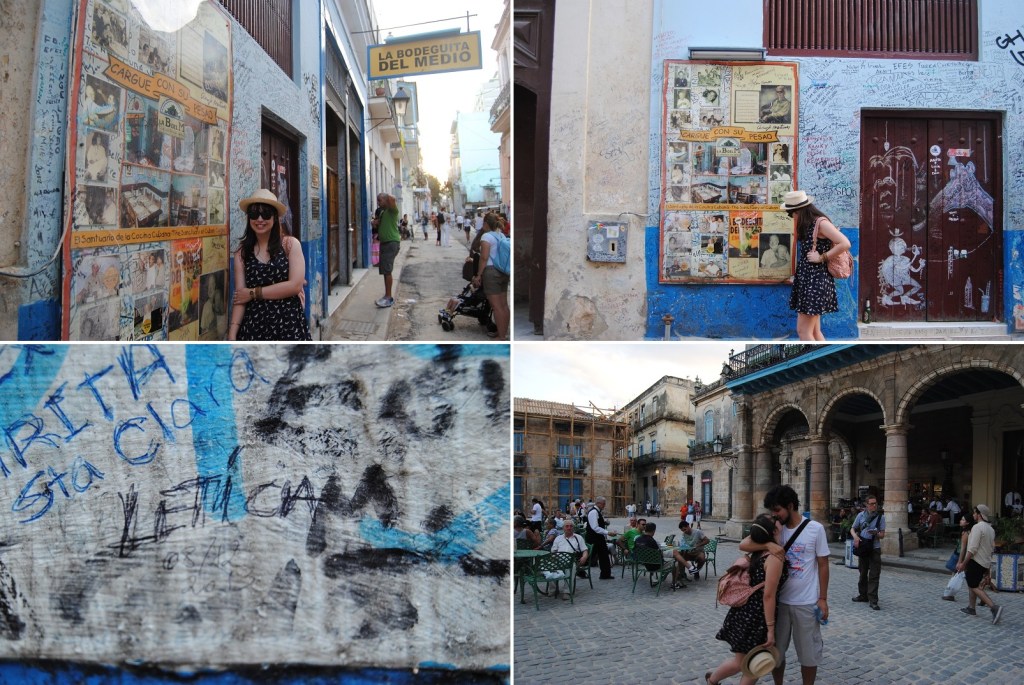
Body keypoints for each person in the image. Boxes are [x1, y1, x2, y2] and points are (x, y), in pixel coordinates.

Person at [740, 485, 829, 685]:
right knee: (776, 654)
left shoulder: (816, 529)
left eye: (777, 509)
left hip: (806, 602)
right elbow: (743, 544)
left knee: (808, 655)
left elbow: (823, 565)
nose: (774, 514)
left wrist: (822, 598)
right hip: (779, 605)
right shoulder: (775, 527)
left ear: (790, 506)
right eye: (772, 510)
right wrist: (767, 544)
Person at [706, 514, 788, 685]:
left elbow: (748, 540)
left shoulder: (757, 550)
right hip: (757, 616)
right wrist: (771, 630)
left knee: (740, 662)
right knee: (754, 666)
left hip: (743, 612)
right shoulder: (774, 557)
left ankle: (712, 680)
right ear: (773, 531)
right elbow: (768, 595)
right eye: (776, 524)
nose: (780, 523)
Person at [229, 189, 310, 341]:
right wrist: (232, 333)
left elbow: (295, 286)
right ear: (249, 218)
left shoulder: (290, 245)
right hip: (254, 325)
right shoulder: (241, 253)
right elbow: (240, 297)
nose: (260, 219)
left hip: (288, 324)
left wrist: (253, 293)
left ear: (275, 217)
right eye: (254, 213)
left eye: (266, 213)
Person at [781, 190, 851, 341]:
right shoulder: (809, 225)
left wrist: (821, 257)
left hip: (815, 281)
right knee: (814, 332)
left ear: (798, 210)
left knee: (803, 332)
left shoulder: (821, 223)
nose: (791, 217)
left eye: (790, 213)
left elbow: (845, 243)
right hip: (809, 281)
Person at [957, 504, 1004, 624]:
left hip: (976, 561)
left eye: (974, 513)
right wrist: (987, 568)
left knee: (974, 586)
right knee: (973, 584)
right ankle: (971, 607)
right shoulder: (991, 529)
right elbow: (990, 549)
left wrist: (963, 563)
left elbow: (972, 549)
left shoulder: (978, 527)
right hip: (984, 562)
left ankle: (994, 608)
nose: (973, 515)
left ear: (979, 514)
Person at [472, 213, 510, 340]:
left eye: (483, 223)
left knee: (496, 307)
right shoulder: (501, 235)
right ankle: (502, 333)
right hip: (503, 272)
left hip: (491, 272)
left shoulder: (486, 236)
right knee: (504, 306)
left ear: (486, 224)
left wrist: (478, 275)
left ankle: (501, 337)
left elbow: (484, 257)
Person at [851, 495, 886, 610]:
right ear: (866, 504)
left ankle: (873, 600)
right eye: (871, 504)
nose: (874, 505)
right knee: (862, 572)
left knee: (874, 574)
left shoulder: (881, 517)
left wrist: (876, 533)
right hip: (863, 546)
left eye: (875, 503)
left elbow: (882, 534)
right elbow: (852, 528)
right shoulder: (860, 515)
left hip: (874, 548)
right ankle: (863, 595)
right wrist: (855, 537)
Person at [373, 193, 401, 308]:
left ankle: (389, 297)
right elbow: (379, 227)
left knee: (387, 271)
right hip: (384, 244)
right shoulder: (383, 213)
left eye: (380, 200)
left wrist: (385, 197)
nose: (378, 203)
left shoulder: (392, 211)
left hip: (391, 243)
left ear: (386, 200)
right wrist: (375, 224)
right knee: (385, 270)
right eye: (377, 201)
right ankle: (386, 296)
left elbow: (393, 198)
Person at [943, 514, 975, 601]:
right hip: (964, 556)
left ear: (967, 523)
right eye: (961, 519)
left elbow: (963, 548)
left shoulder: (965, 533)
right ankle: (949, 594)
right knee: (960, 576)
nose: (961, 521)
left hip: (960, 556)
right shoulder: (970, 532)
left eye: (963, 520)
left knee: (960, 576)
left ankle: (950, 594)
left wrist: (960, 561)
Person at [585, 496, 614, 579]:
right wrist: (608, 532)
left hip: (598, 538)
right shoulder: (594, 512)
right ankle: (578, 569)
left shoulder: (597, 511)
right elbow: (595, 527)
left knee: (604, 555)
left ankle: (605, 574)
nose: (604, 505)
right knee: (590, 556)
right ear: (598, 503)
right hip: (593, 538)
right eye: (603, 504)